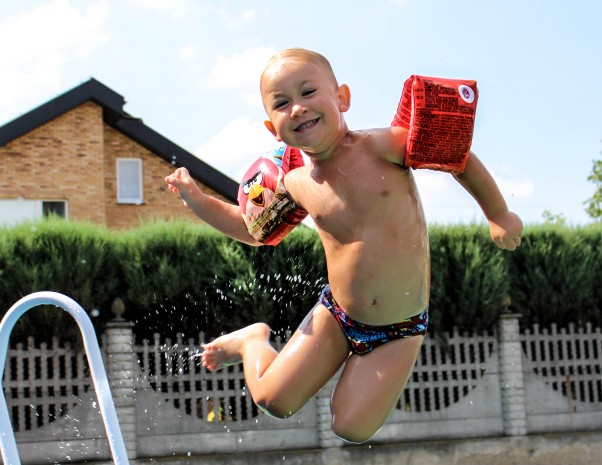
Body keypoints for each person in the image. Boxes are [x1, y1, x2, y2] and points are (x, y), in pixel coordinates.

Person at [165, 48, 523, 443]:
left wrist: (498, 214)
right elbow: (253, 229)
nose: (297, 108)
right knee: (272, 399)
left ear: (342, 98)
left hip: (400, 329)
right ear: (272, 128)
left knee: (349, 426)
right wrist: (196, 199)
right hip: (337, 315)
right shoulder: (297, 183)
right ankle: (253, 339)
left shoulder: (383, 146)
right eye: (282, 104)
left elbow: (456, 157)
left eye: (308, 93)